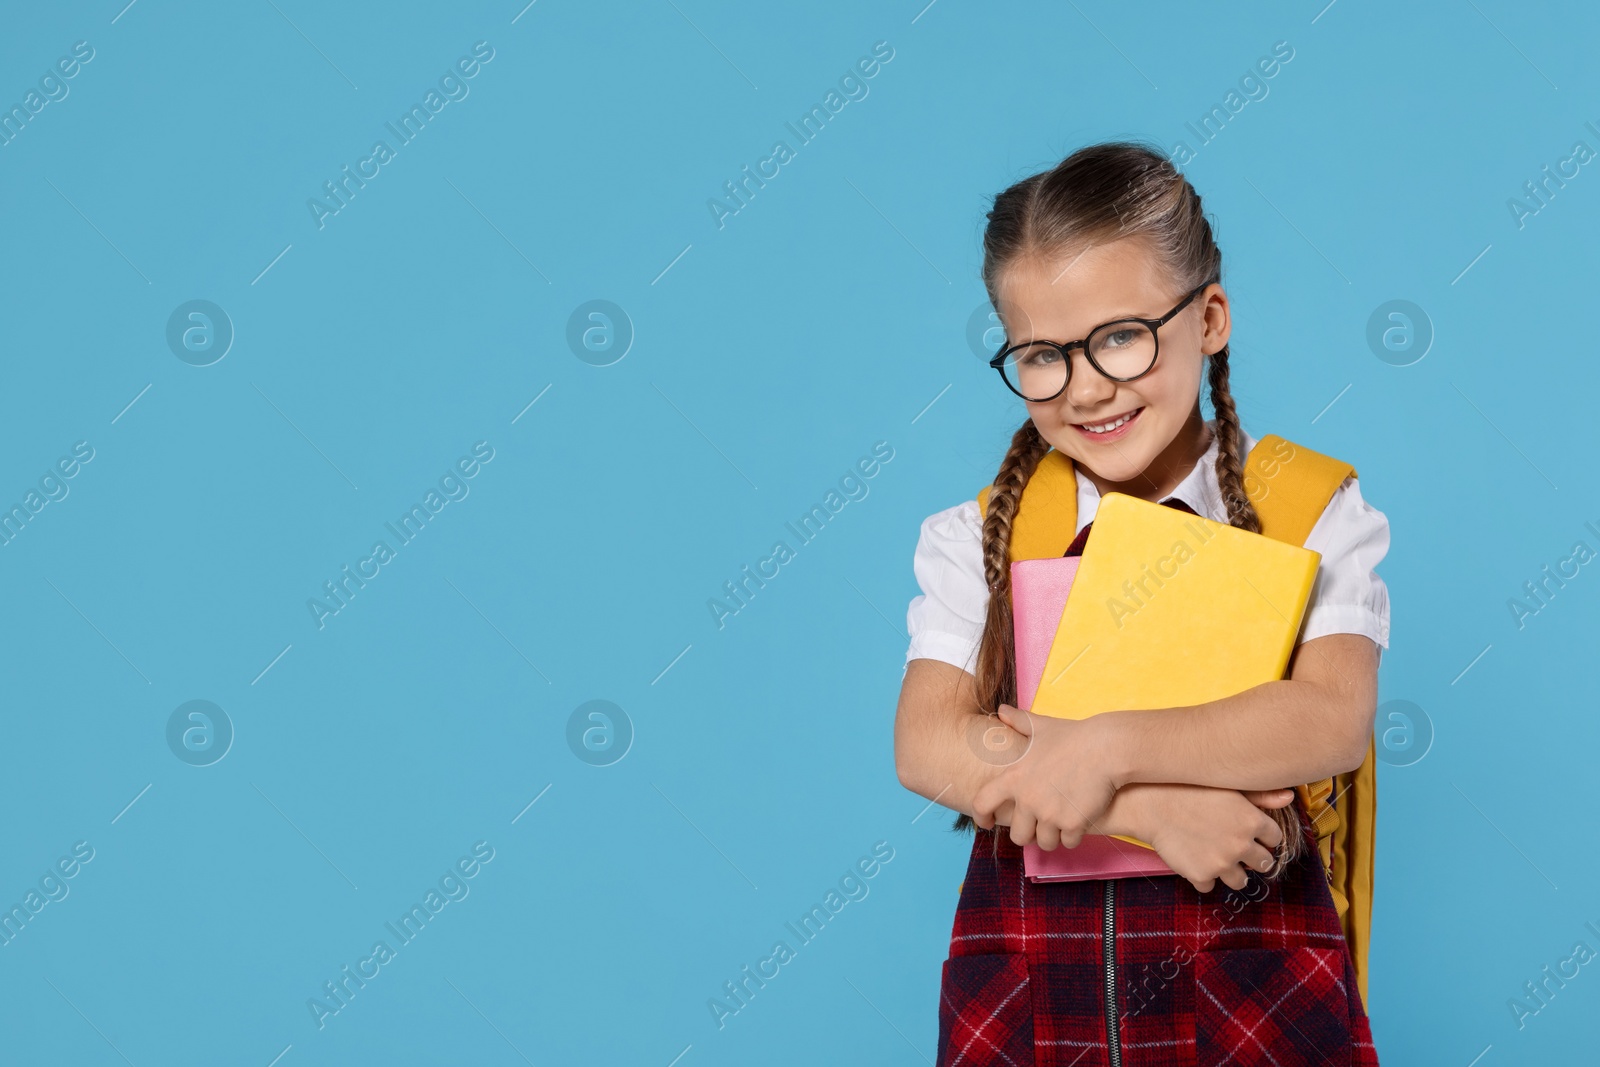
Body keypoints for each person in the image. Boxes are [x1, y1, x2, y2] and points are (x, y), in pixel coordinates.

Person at [894, 141, 1390, 1066]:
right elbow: (928, 741)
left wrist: (1107, 747)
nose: (1085, 386)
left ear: (1208, 318)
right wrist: (1149, 807)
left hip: (1258, 973)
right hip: (1027, 975)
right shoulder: (979, 536)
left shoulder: (1307, 507)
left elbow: (1330, 719)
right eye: (1042, 355)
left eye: (1120, 336)